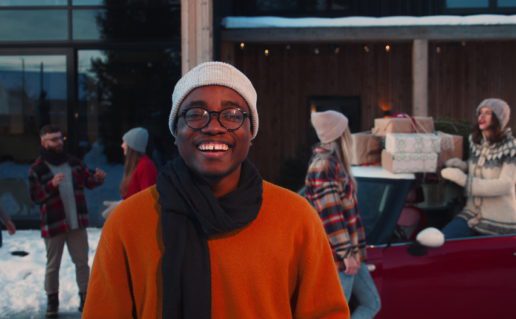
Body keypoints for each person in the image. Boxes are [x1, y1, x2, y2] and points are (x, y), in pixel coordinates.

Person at [83, 61, 349, 318]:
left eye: (232, 115)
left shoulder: (296, 218)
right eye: (195, 114)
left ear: (251, 132)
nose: (213, 126)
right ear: (175, 131)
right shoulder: (127, 223)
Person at [304, 110, 381, 319]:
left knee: (371, 303)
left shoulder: (335, 164)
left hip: (353, 254)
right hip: (340, 258)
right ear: (338, 134)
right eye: (345, 129)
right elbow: (330, 215)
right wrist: (346, 254)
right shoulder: (324, 165)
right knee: (336, 314)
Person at [28, 125, 106, 318]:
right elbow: (35, 197)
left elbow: (88, 181)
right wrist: (50, 185)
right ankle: (52, 303)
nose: (59, 142)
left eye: (60, 138)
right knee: (52, 265)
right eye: (54, 139)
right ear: (43, 142)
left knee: (82, 263)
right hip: (54, 224)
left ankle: (85, 299)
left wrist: (97, 178)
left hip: (76, 223)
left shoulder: (73, 163)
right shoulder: (37, 168)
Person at [440, 98, 516, 238]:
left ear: (499, 118)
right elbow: (481, 167)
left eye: (488, 113)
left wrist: (463, 180)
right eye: (480, 112)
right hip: (471, 213)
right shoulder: (475, 141)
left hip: (499, 221)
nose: (481, 116)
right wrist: (463, 165)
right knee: (443, 241)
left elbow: (505, 184)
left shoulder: (511, 147)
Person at [120, 127, 157, 199]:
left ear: (133, 146)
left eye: (125, 142)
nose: (122, 145)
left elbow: (147, 198)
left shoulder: (145, 166)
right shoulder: (135, 165)